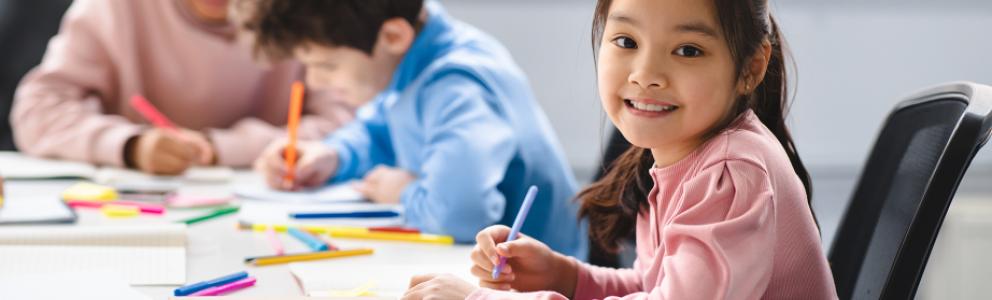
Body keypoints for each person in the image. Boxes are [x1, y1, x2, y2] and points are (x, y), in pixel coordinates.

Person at [403, 0, 838, 298]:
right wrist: (566, 276)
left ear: (751, 67)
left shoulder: (731, 172)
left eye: (688, 50)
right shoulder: (680, 155)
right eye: (627, 42)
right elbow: (658, 287)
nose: (646, 74)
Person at [245, 0, 587, 257]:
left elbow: (461, 214)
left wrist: (402, 192)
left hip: (538, 280)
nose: (315, 80)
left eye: (327, 65)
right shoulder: (411, 58)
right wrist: (334, 154)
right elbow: (381, 131)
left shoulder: (455, 84)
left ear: (393, 36)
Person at [11, 0, 353, 175]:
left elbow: (351, 122)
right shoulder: (112, 9)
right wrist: (131, 145)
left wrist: (225, 148)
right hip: (135, 212)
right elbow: (37, 111)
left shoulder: (307, 13)